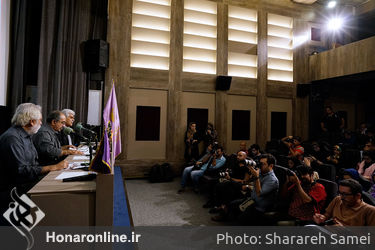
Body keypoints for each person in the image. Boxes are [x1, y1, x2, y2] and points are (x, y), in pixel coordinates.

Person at [0, 104, 68, 225]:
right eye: (40, 120)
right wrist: (53, 167)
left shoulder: (26, 135)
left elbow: (33, 163)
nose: (41, 124)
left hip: (26, 184)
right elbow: (21, 171)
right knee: (54, 202)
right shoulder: (12, 138)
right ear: (31, 122)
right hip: (15, 191)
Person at [236, 154, 279, 225]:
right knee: (232, 205)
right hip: (251, 201)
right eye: (260, 163)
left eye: (263, 164)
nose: (260, 166)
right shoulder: (261, 173)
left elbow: (259, 193)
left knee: (241, 220)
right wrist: (250, 169)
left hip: (259, 208)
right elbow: (248, 182)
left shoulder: (272, 180)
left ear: (271, 166)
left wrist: (256, 177)